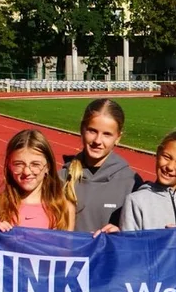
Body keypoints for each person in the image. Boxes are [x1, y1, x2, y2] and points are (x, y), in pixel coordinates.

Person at [60, 98, 143, 234]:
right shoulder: (61, 178)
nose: (98, 140)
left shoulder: (132, 183)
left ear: (118, 138)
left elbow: (140, 233)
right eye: (92, 131)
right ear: (82, 129)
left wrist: (122, 233)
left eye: (107, 134)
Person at [0, 129, 76, 231]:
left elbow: (67, 241)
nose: (26, 172)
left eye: (35, 164)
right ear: (9, 165)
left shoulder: (64, 208)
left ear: (48, 166)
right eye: (18, 164)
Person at [120, 130, 176, 231]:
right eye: (166, 157)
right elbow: (129, 240)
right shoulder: (136, 201)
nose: (170, 167)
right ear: (158, 153)